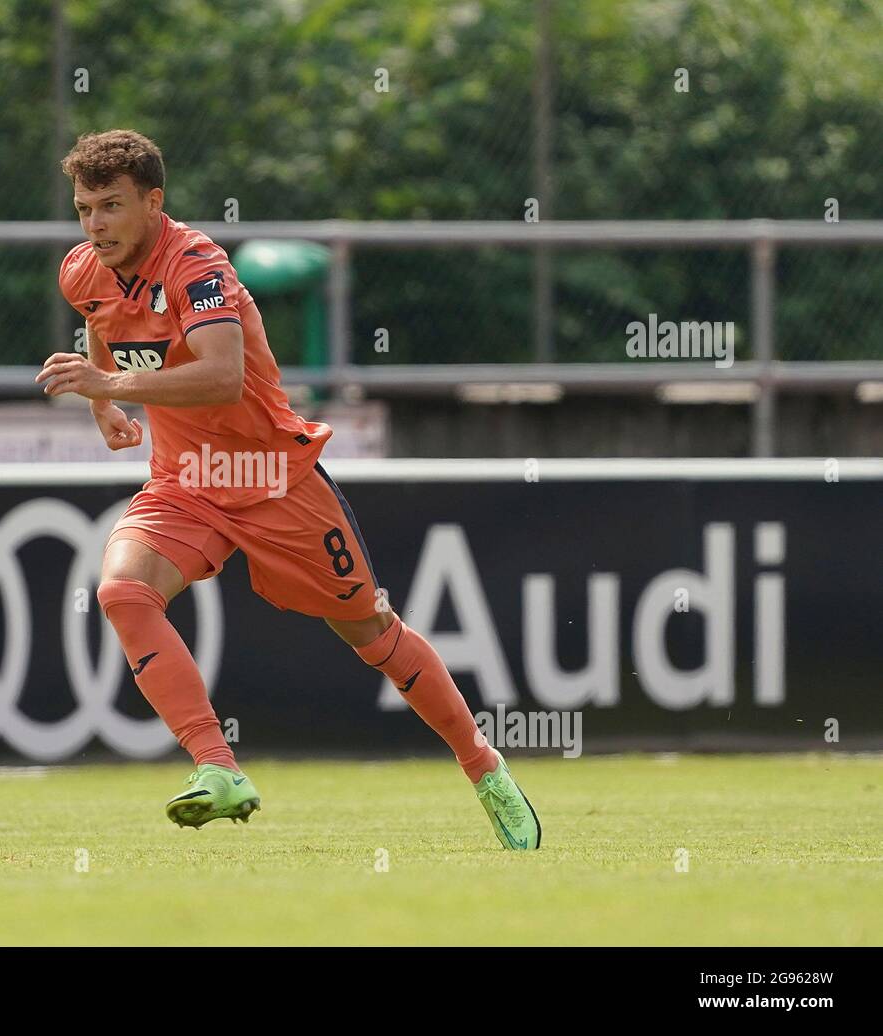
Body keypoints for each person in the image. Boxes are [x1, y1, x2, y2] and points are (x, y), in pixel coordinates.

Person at [36, 129, 540, 849]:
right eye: (85, 208)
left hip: (273, 480)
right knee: (122, 592)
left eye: (111, 207)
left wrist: (108, 384)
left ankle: (484, 768)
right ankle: (218, 768)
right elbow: (102, 328)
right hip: (188, 483)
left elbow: (223, 376)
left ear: (154, 202)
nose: (95, 224)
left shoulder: (197, 264)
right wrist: (105, 407)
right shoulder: (83, 270)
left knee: (371, 633)